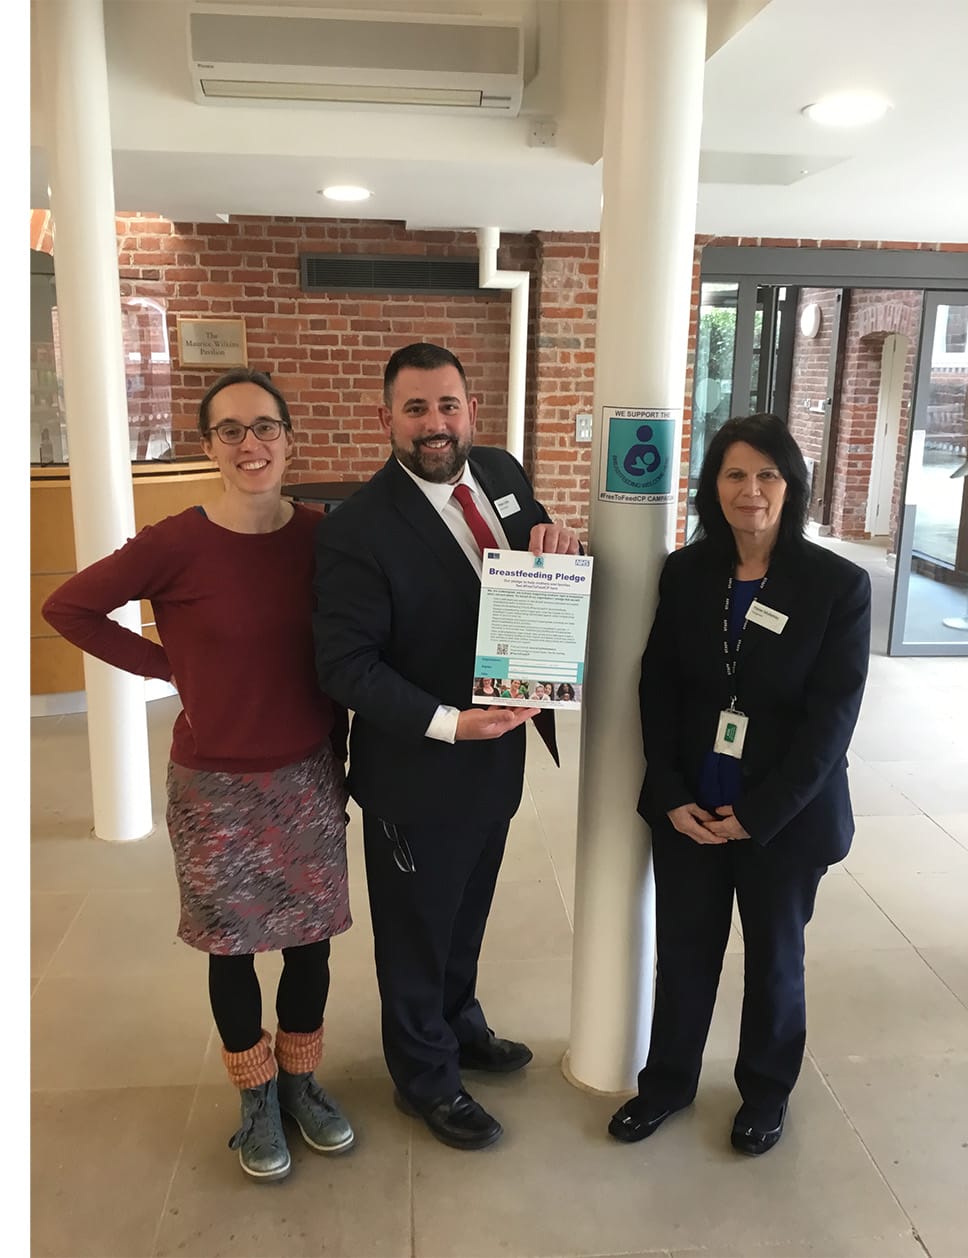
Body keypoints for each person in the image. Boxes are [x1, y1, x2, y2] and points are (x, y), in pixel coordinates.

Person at [41, 368, 355, 1184]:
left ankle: (302, 1081)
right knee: (234, 950)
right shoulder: (176, 541)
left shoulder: (325, 537)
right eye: (231, 430)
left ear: (289, 438)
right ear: (209, 444)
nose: (251, 444)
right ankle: (256, 1100)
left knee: (311, 945)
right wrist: (169, 665)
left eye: (265, 427)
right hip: (215, 787)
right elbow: (69, 607)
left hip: (309, 773)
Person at [312, 342, 581, 1151]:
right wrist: (449, 722)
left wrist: (552, 547)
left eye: (449, 405)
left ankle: (459, 1024)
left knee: (465, 913)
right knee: (416, 930)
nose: (437, 424)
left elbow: (524, 570)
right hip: (419, 767)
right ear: (385, 417)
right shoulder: (357, 529)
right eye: (417, 408)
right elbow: (346, 667)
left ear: (472, 410)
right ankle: (425, 1076)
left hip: (498, 752)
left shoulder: (499, 472)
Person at [607, 412, 870, 1158]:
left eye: (767, 475)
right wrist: (667, 790)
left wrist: (758, 815)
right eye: (733, 474)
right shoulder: (687, 572)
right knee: (685, 952)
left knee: (775, 959)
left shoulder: (835, 586)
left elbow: (832, 721)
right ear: (710, 487)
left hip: (781, 819)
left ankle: (765, 1092)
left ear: (792, 488)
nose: (749, 490)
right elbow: (657, 686)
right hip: (690, 806)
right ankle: (666, 1085)